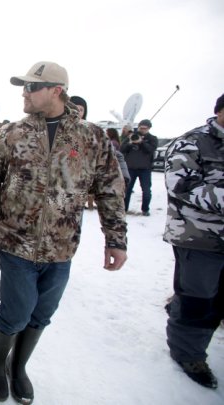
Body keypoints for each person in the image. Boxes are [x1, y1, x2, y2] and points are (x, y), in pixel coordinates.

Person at [0, 61, 127, 404]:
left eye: (32, 87)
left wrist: (115, 239)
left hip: (61, 248)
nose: (24, 93)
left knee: (41, 314)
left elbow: (110, 189)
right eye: (24, 86)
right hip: (16, 242)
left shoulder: (91, 137)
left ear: (56, 91)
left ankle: (18, 366)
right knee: (16, 312)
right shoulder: (11, 133)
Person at [163, 93, 224, 390]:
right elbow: (181, 184)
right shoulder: (192, 142)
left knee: (218, 297)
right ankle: (188, 354)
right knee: (198, 300)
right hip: (200, 238)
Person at [120, 118, 158, 216]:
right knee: (126, 190)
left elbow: (150, 150)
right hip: (130, 168)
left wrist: (141, 142)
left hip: (145, 169)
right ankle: (124, 209)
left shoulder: (152, 138)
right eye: (141, 128)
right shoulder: (131, 136)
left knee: (146, 191)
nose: (142, 130)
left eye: (145, 128)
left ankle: (145, 209)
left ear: (149, 128)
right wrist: (130, 142)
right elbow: (122, 149)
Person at [69, 95, 96, 209]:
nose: (78, 112)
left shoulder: (90, 132)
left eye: (81, 110)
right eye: (75, 109)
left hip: (78, 182)